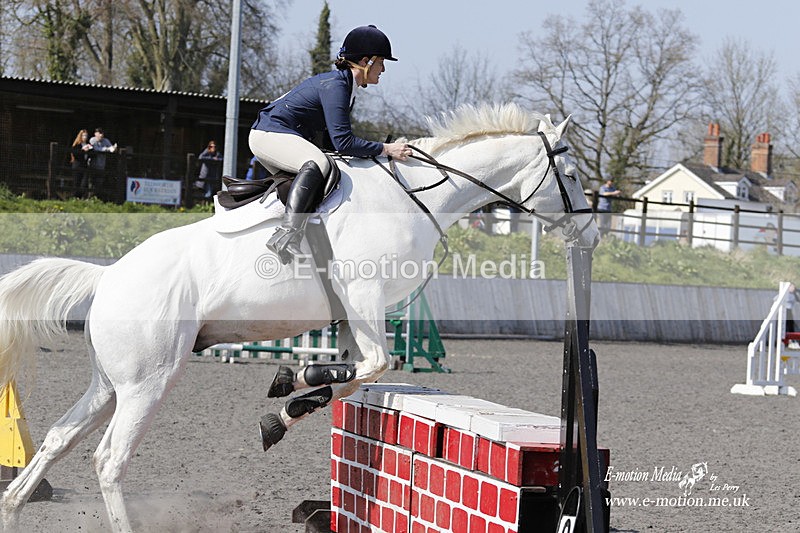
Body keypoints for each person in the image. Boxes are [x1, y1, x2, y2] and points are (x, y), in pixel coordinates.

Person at [249, 24, 412, 264]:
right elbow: (344, 142)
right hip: (269, 134)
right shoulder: (336, 86)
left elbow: (332, 142)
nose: (383, 69)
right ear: (366, 62)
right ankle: (285, 235)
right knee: (318, 164)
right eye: (381, 62)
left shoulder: (347, 88)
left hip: (282, 134)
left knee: (331, 169)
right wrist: (386, 149)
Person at [88, 127, 117, 200]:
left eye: (102, 133)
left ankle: (96, 199)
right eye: (99, 133)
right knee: (91, 183)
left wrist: (113, 148)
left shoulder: (106, 141)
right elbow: (96, 149)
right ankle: (89, 198)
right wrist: (107, 149)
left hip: (101, 166)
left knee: (99, 182)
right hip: (92, 166)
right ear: (95, 134)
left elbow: (111, 148)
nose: (101, 135)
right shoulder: (92, 140)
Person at [70, 129, 93, 198]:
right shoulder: (77, 145)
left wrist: (90, 150)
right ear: (80, 136)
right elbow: (75, 154)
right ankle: (75, 198)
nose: (85, 137)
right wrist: (82, 150)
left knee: (84, 183)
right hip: (77, 166)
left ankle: (80, 197)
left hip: (85, 166)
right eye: (83, 136)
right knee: (76, 182)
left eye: (86, 136)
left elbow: (92, 155)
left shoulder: (88, 144)